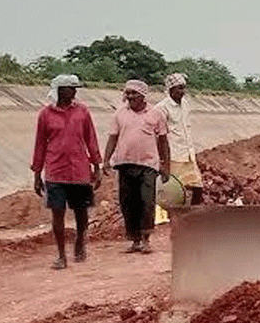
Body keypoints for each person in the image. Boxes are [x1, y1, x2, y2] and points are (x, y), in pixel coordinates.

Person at [32, 73, 102, 269]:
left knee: (81, 212)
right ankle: (61, 255)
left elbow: (91, 140)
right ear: (59, 90)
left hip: (79, 170)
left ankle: (80, 240)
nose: (73, 92)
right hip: (55, 170)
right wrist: (37, 174)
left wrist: (97, 167)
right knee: (58, 214)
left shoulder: (83, 112)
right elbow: (39, 145)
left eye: (75, 89)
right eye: (70, 88)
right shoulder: (45, 115)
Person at [103, 79, 170, 254]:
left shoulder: (156, 114)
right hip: (124, 164)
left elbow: (163, 142)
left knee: (146, 202)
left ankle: (146, 239)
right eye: (128, 93)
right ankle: (135, 240)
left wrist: (166, 165)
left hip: (148, 165)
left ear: (143, 95)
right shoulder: (119, 114)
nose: (130, 96)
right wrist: (106, 160)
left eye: (134, 93)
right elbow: (113, 138)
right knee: (127, 203)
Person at [156, 73, 206, 206]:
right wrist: (162, 160)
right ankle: (173, 217)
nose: (182, 91)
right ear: (170, 89)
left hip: (187, 154)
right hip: (174, 155)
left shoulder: (185, 104)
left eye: (183, 88)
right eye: (179, 88)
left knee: (198, 186)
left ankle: (193, 216)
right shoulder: (162, 108)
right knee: (173, 190)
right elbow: (159, 135)